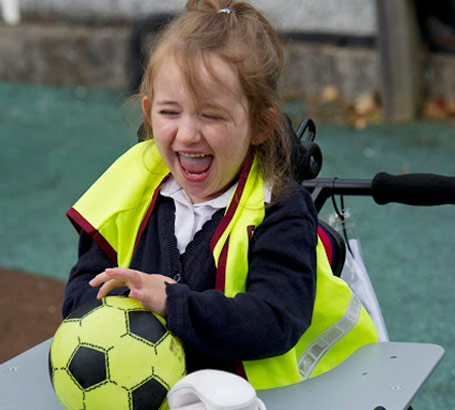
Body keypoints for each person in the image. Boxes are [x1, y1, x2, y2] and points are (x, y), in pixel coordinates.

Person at [62, 0, 377, 390]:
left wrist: (172, 302)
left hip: (269, 395)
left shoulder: (278, 208)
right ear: (148, 111)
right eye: (169, 112)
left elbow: (275, 319)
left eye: (211, 115)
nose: (189, 134)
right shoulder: (131, 186)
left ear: (260, 125)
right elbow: (80, 293)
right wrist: (126, 301)